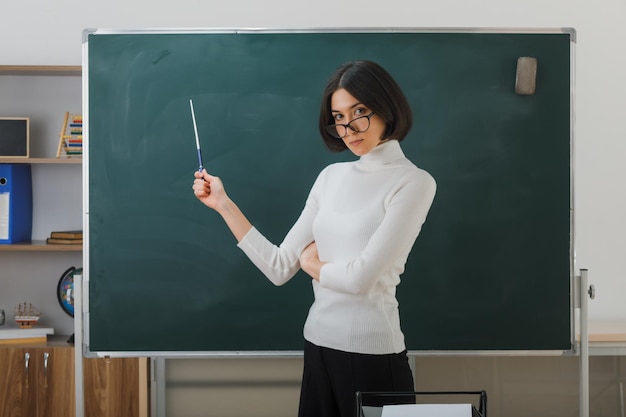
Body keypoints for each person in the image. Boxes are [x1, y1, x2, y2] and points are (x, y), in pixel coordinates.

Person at [192, 60, 436, 417]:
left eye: (360, 111)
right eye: (338, 117)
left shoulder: (413, 182)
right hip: (318, 347)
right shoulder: (330, 177)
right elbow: (277, 267)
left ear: (387, 107)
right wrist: (223, 205)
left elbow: (360, 278)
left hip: (374, 357)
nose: (349, 128)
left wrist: (312, 264)